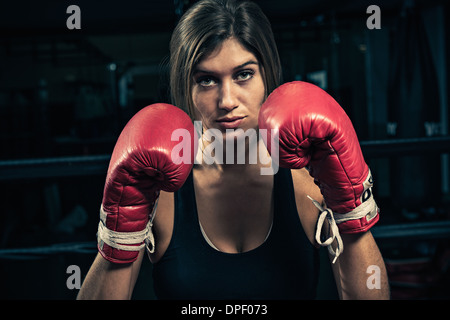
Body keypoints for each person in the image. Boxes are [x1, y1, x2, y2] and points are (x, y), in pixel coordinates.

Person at [78, 0, 389, 300]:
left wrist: (350, 208)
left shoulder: (306, 183)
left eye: (244, 74)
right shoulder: (159, 190)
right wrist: (119, 231)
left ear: (267, 76)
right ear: (186, 88)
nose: (226, 100)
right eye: (207, 80)